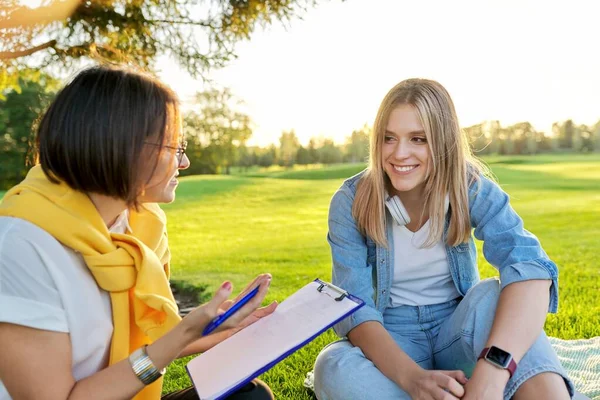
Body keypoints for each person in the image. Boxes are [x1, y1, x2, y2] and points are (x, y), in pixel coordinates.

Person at [0, 65, 277, 400]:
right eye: (174, 146)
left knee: (249, 396)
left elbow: (148, 339)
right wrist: (180, 336)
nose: (185, 161)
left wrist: (220, 328)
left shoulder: (140, 227)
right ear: (124, 146)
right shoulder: (21, 245)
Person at [312, 78, 574, 400]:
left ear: (443, 141)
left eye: (418, 139)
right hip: (393, 339)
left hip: (457, 327)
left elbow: (531, 267)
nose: (399, 153)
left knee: (495, 296)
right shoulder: (351, 201)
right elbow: (357, 312)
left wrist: (491, 375)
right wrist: (413, 380)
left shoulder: (470, 187)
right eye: (388, 138)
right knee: (334, 366)